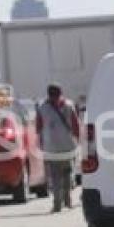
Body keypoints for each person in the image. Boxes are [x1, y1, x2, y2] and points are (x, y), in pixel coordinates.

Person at [36, 83, 81, 213]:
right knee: (67, 175)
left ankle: (57, 204)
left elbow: (38, 128)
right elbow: (75, 125)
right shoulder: (68, 105)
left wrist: (41, 143)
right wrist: (78, 140)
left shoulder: (42, 108)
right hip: (67, 146)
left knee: (56, 177)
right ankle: (66, 201)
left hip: (52, 148)